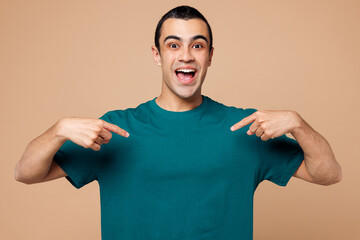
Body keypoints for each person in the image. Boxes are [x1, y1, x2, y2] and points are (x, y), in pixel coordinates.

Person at [15, 5, 342, 240]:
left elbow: (328, 174)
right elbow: (26, 173)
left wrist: (298, 124)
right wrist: (57, 131)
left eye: (196, 45)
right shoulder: (114, 130)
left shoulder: (247, 128)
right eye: (174, 45)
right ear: (157, 55)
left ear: (209, 56)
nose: (186, 55)